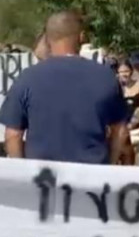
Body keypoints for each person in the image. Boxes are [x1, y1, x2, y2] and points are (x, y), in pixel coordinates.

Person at [0, 11, 129, 164]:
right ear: (81, 37)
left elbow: (13, 135)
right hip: (91, 178)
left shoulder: (27, 78)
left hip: (43, 180)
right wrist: (110, 165)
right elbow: (120, 131)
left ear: (48, 40)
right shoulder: (105, 76)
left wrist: (23, 173)